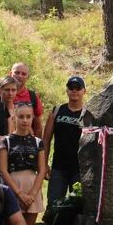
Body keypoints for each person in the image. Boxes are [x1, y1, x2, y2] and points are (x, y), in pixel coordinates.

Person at [0, 103, 47, 225]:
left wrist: (32, 194)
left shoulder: (38, 142)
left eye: (28, 116)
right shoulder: (5, 141)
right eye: (21, 116)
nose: (25, 120)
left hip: (32, 187)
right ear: (14, 117)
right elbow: (2, 169)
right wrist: (19, 194)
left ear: (32, 118)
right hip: (12, 187)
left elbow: (42, 170)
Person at [42, 76, 86, 205]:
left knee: (78, 206)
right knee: (54, 205)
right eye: (71, 87)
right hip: (58, 168)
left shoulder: (88, 114)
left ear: (84, 91)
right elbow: (46, 139)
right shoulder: (57, 111)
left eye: (78, 88)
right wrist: (44, 165)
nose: (74, 91)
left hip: (80, 169)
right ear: (67, 90)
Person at [9, 62, 44, 137]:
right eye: (17, 73)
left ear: (27, 77)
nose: (20, 76)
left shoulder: (32, 97)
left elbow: (38, 127)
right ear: (10, 74)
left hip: (25, 143)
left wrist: (37, 146)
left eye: (24, 74)